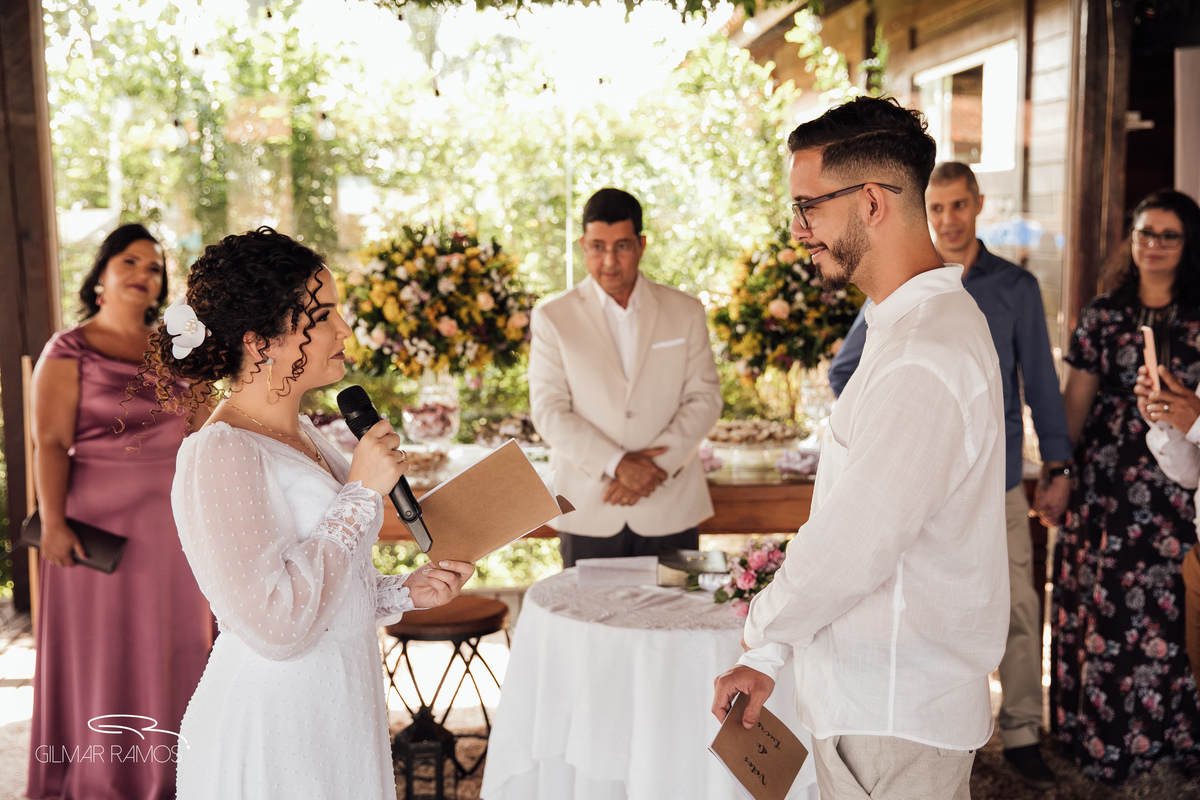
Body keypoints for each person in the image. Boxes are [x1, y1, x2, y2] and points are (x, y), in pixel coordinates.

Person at [711, 97, 1008, 800]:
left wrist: (761, 633)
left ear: (871, 201)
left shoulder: (923, 352)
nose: (797, 230)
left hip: (897, 709)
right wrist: (774, 653)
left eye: (807, 206)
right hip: (882, 699)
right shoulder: (903, 328)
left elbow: (854, 544)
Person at [142, 227, 474, 799]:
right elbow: (277, 624)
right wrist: (361, 493)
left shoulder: (305, 435)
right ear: (260, 341)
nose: (344, 330)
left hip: (339, 706)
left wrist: (403, 592)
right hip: (274, 725)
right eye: (324, 315)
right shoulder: (219, 451)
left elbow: (327, 585)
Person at [825, 161, 1072, 787]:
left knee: (1016, 609)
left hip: (1002, 485)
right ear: (923, 212)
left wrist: (1060, 464)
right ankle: (935, 733)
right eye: (937, 208)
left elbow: (1041, 387)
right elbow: (843, 368)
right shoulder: (911, 285)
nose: (948, 219)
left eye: (959, 206)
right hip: (923, 496)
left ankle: (1019, 734)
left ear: (978, 205)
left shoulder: (1014, 288)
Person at [26, 223, 213, 800]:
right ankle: (96, 777)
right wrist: (53, 524)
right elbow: (50, 443)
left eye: (154, 267)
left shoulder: (181, 349)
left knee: (178, 643)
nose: (143, 274)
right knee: (97, 654)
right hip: (92, 531)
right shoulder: (68, 349)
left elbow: (209, 430)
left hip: (176, 526)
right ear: (102, 274)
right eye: (129, 262)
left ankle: (176, 774)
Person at [1052, 189, 1200, 784]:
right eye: (1144, 233)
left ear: (1188, 246)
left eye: (1168, 235)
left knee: (1173, 612)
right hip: (1106, 483)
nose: (1154, 246)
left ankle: (1173, 738)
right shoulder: (1102, 313)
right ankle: (1102, 739)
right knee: (1104, 607)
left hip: (1179, 485)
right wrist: (1058, 472)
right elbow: (1074, 406)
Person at [528, 188, 722, 568]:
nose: (609, 261)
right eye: (597, 247)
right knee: (590, 624)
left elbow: (705, 398)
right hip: (588, 507)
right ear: (583, 245)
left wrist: (653, 470)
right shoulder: (553, 316)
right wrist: (618, 465)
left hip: (672, 503)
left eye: (622, 247)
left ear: (641, 245)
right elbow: (550, 411)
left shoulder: (685, 311)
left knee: (675, 621)